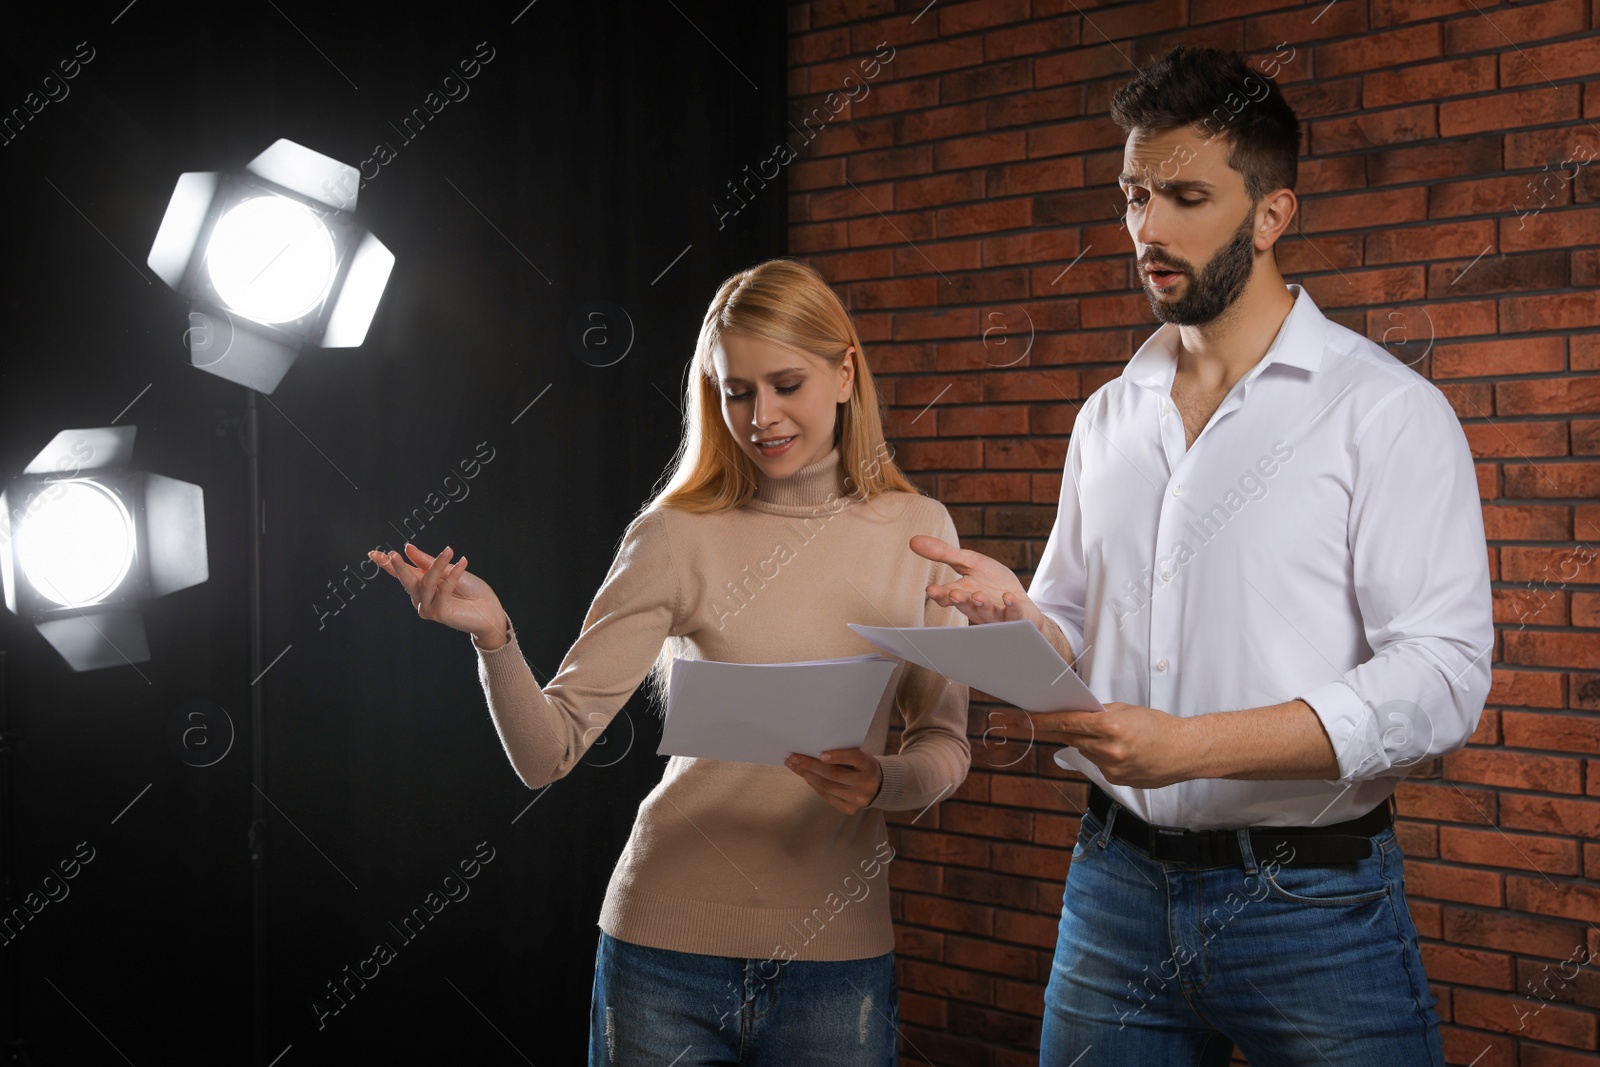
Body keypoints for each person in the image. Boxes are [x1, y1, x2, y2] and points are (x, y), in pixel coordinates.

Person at [910, 46, 1493, 1066]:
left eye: (1185, 196)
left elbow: (1441, 678)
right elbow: (1076, 628)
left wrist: (1193, 746)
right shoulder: (1106, 418)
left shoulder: (1386, 413)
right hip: (1112, 889)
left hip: (1310, 900)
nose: (1148, 229)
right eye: (1135, 194)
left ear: (1272, 215)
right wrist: (1020, 621)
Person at [370, 257, 970, 1066]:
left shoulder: (921, 530)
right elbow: (546, 753)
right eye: (737, 390)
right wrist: (494, 636)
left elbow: (945, 741)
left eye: (786, 383)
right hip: (665, 954)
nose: (762, 416)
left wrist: (883, 781)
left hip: (839, 961)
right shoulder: (674, 534)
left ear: (843, 372)